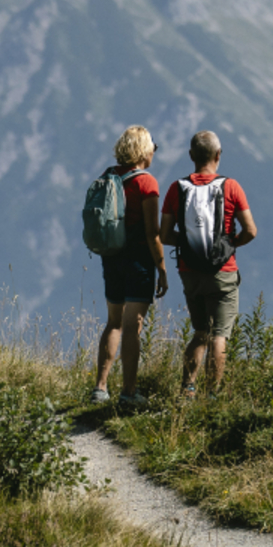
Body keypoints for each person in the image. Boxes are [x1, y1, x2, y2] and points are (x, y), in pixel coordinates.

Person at [161, 129, 256, 397]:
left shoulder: (176, 189)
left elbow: (165, 235)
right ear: (218, 155)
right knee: (219, 334)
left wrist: (189, 241)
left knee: (200, 331)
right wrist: (227, 245)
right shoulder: (231, 187)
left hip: (189, 272)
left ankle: (188, 388)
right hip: (222, 271)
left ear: (191, 155)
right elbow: (250, 230)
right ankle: (213, 394)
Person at [93, 124, 167, 407]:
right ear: (144, 150)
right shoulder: (146, 182)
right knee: (132, 327)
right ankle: (129, 392)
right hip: (138, 262)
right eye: (153, 147)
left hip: (111, 257)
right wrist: (161, 268)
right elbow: (153, 233)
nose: (154, 152)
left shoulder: (108, 176)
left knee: (113, 323)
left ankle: (100, 388)